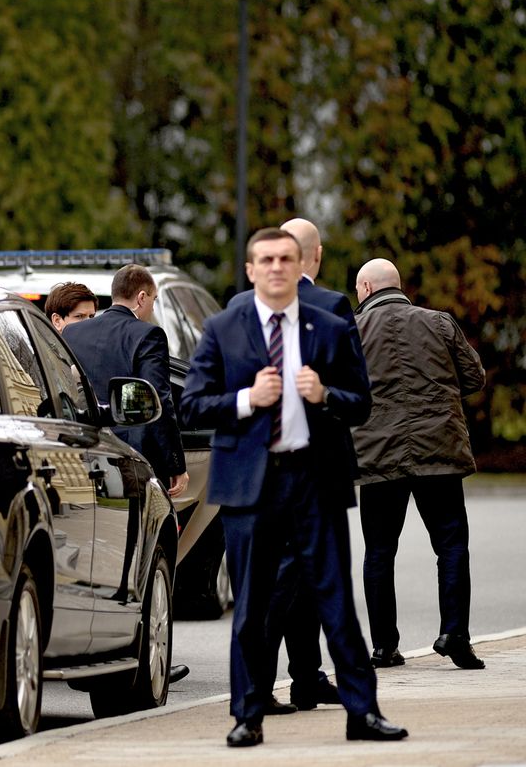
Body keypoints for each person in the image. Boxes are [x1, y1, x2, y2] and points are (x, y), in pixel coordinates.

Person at [181, 227, 406, 747]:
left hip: (314, 480)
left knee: (335, 601)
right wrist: (245, 398)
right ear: (251, 269)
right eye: (266, 259)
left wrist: (324, 393)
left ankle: (363, 713)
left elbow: (363, 403)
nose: (277, 267)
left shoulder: (328, 326)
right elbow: (192, 404)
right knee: (251, 608)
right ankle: (247, 716)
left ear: (299, 262)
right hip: (250, 486)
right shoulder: (223, 328)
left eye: (286, 257)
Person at [228, 217, 348, 712]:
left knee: (291, 579)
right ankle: (258, 682)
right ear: (313, 257)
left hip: (254, 469)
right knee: (288, 582)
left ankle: (305, 676)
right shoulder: (333, 307)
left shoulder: (237, 306)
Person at [352, 257, 486, 671]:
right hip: (439, 452)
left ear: (367, 289)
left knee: (378, 551)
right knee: (451, 546)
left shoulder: (353, 332)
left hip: (378, 456)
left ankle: (384, 646)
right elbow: (475, 377)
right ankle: (454, 633)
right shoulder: (439, 323)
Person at [64, 264, 191, 685]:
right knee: (149, 559)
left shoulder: (73, 334)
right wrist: (174, 464)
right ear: (140, 298)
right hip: (130, 464)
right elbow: (158, 403)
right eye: (152, 301)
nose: (151, 310)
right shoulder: (147, 336)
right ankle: (149, 652)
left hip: (78, 457)